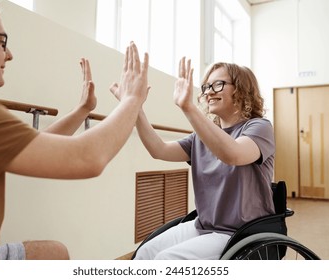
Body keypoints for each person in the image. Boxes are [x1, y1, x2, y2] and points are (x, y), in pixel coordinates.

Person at [0, 0, 149, 260]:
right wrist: (132, 100)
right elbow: (87, 157)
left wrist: (82, 110)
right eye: (2, 42)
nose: (9, 54)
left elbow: (36, 145)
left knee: (54, 253)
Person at [114, 57, 275, 259]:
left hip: (240, 233)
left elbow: (233, 154)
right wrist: (135, 106)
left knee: (166, 260)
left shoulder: (259, 127)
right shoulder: (202, 137)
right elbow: (159, 149)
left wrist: (188, 107)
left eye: (218, 84)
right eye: (206, 86)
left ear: (242, 90)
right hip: (204, 226)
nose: (208, 91)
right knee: (145, 253)